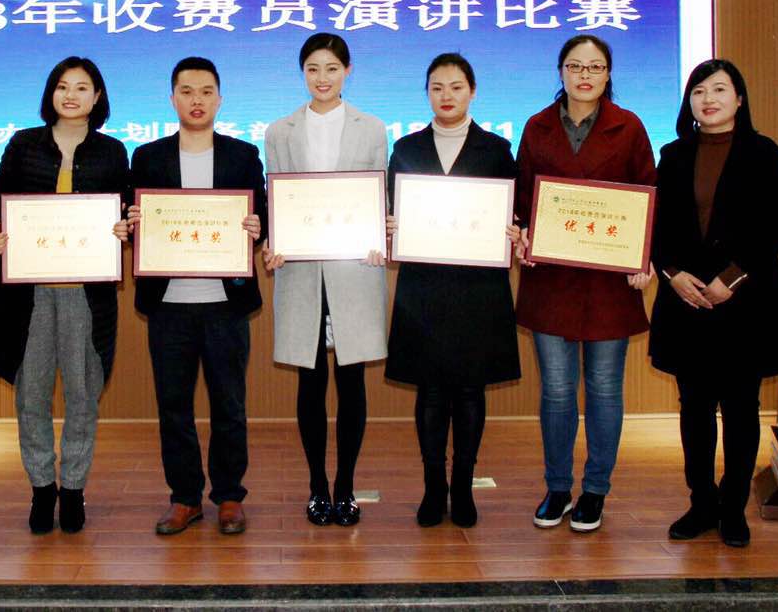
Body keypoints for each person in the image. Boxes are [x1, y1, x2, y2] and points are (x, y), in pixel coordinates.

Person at [649, 59, 778, 548]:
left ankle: (733, 508)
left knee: (740, 408)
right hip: (687, 300)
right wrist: (673, 276)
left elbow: (775, 228)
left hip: (746, 303)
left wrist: (729, 279)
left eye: (719, 89)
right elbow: (656, 226)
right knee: (694, 408)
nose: (709, 99)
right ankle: (701, 504)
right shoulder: (673, 155)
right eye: (699, 91)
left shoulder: (764, 155)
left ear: (739, 99)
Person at [0, 57, 129, 535]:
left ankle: (75, 489)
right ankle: (42, 488)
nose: (71, 95)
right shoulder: (23, 144)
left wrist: (123, 228)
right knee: (32, 396)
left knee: (84, 396)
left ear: (97, 97)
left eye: (82, 88)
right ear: (50, 93)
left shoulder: (112, 151)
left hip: (88, 296)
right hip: (30, 295)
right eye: (63, 86)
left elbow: (125, 211)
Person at [514, 33, 655, 534]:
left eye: (595, 67)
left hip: (608, 282)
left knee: (604, 390)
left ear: (608, 74)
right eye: (575, 66)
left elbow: (648, 196)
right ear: (561, 72)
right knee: (556, 392)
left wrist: (644, 256)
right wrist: (521, 234)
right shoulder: (536, 126)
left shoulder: (629, 126)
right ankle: (557, 487)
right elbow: (523, 200)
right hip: (551, 280)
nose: (584, 75)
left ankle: (595, 490)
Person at [126, 57, 267, 536]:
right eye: (186, 91)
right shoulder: (147, 157)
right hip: (168, 304)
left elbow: (264, 215)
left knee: (229, 404)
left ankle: (229, 496)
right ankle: (184, 497)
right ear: (172, 99)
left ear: (220, 99)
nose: (196, 100)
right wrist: (131, 224)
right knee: (174, 407)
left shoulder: (243, 155)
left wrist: (258, 225)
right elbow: (133, 220)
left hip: (226, 304)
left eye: (206, 91)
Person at [386, 52, 521, 528]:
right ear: (427, 93)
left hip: (477, 288)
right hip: (423, 287)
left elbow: (513, 211)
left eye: (456, 87)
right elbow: (390, 208)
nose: (447, 96)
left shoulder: (497, 149)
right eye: (437, 87)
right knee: (430, 390)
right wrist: (390, 223)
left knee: (468, 389)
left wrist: (512, 229)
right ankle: (433, 487)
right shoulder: (406, 148)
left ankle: (462, 487)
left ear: (472, 92)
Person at [263, 33, 389, 527]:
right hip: (301, 270)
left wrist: (379, 233)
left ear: (348, 71)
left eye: (332, 68)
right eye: (313, 68)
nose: (322, 78)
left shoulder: (372, 128)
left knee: (352, 379)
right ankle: (317, 486)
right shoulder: (279, 130)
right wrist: (273, 240)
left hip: (354, 269)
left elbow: (376, 195)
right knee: (310, 379)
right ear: (302, 72)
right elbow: (276, 201)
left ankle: (347, 487)